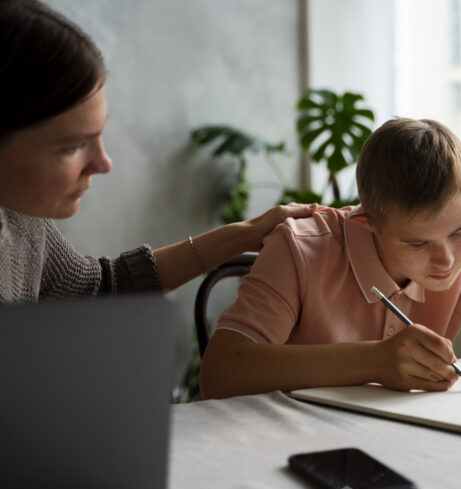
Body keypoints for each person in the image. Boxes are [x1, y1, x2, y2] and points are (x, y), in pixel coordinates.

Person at [200, 118, 461, 403]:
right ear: (366, 223)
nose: (446, 260)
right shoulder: (299, 250)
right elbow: (221, 373)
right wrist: (373, 360)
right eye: (416, 243)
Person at [0, 0, 316, 303]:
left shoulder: (21, 219)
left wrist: (248, 234)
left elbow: (97, 289)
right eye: (73, 146)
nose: (103, 163)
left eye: (98, 136)